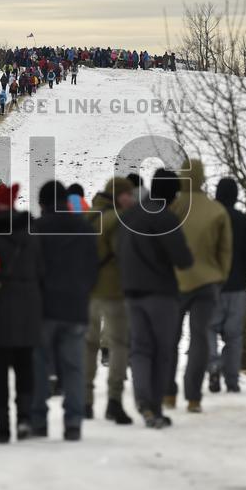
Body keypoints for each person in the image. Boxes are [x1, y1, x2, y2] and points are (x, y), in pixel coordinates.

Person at [119, 169, 194, 428]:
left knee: (139, 349)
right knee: (163, 350)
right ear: (173, 194)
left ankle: (142, 400)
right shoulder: (166, 218)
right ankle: (155, 405)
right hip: (161, 293)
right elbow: (183, 259)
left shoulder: (131, 215)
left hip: (131, 292)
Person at [30, 181, 98, 441]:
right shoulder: (85, 228)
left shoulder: (37, 228)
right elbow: (93, 267)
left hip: (43, 307)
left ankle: (38, 420)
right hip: (75, 306)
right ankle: (73, 422)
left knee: (39, 366)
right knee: (74, 367)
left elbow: (31, 267)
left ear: (43, 203)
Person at [166, 159, 232, 413]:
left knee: (170, 339)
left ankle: (168, 393)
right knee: (200, 339)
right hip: (208, 282)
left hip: (174, 282)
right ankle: (193, 396)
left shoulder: (173, 208)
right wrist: (221, 276)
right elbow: (225, 250)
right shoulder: (217, 211)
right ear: (203, 178)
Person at [0, 183, 42, 443]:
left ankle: (3, 426)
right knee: (25, 366)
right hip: (29, 306)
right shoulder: (33, 233)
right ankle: (25, 419)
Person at [84, 177, 135, 424]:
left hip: (86, 290)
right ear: (118, 195)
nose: (132, 199)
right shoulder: (117, 220)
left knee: (88, 345)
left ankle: (84, 400)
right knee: (119, 345)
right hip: (113, 291)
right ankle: (114, 400)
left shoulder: (87, 217)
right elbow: (125, 255)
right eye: (128, 194)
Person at [208, 178, 246, 394]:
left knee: (209, 329)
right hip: (237, 286)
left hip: (212, 284)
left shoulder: (210, 219)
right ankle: (232, 379)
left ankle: (213, 365)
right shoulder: (244, 221)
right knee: (234, 336)